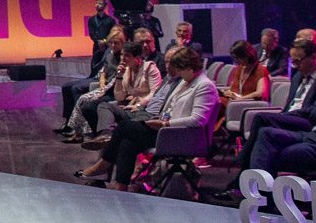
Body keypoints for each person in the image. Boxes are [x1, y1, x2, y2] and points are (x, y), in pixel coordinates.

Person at [76, 46, 218, 191]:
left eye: (180, 70)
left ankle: (104, 164)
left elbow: (198, 120)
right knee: (127, 142)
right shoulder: (186, 81)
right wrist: (160, 120)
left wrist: (165, 124)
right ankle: (121, 186)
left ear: (188, 67)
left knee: (125, 127)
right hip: (168, 130)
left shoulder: (204, 86)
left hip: (182, 136)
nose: (178, 74)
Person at [232, 38, 316, 174]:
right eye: (292, 61)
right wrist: (284, 116)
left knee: (261, 118)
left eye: (298, 61)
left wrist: (286, 116)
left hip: (308, 121)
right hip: (291, 117)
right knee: (264, 131)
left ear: (313, 57)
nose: (294, 66)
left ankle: (243, 161)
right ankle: (255, 179)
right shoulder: (298, 75)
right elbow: (290, 104)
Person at [65, 40, 161, 142]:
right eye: (122, 54)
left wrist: (138, 105)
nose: (122, 58)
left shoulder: (149, 68)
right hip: (128, 104)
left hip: (144, 108)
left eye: (127, 55)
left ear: (137, 58)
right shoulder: (126, 70)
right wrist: (119, 76)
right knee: (88, 107)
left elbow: (155, 93)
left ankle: (106, 137)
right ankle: (101, 136)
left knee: (104, 106)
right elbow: (120, 97)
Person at [57, 26, 126, 136]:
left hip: (115, 89)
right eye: (111, 42)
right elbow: (103, 72)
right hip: (103, 84)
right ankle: (73, 127)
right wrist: (102, 85)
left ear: (123, 42)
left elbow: (119, 78)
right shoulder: (109, 54)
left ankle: (83, 131)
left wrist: (104, 88)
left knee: (81, 95)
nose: (113, 45)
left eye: (116, 43)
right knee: (68, 88)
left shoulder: (125, 57)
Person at [216, 40, 271, 129]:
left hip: (246, 105)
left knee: (216, 103)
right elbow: (236, 87)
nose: (236, 61)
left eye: (237, 58)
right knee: (212, 99)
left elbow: (261, 93)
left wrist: (240, 98)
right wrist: (228, 92)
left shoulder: (260, 70)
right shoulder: (240, 68)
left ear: (246, 55)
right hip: (233, 101)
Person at [86, 0, 117, 73]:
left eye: (100, 3)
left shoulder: (110, 20)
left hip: (107, 46)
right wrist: (98, 41)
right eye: (96, 3)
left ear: (105, 6)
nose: (97, 5)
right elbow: (91, 33)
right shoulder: (91, 19)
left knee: (107, 65)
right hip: (97, 46)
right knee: (95, 65)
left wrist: (105, 41)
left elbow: (112, 33)